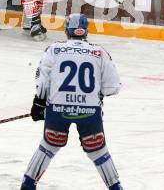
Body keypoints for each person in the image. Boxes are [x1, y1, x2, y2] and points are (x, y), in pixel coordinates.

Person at [20, 13, 123, 190]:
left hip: (58, 110)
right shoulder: (99, 52)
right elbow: (112, 87)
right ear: (86, 32)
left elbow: (42, 80)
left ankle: (27, 186)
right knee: (99, 152)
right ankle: (116, 188)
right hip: (89, 112)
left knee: (48, 147)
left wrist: (39, 103)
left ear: (67, 31)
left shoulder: (54, 49)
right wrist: (97, 95)